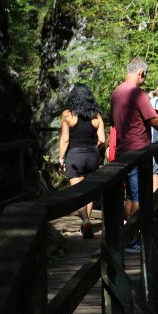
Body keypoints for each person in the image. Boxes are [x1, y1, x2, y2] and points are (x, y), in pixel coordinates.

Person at [109, 57, 158, 252]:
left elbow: (115, 120)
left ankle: (129, 235)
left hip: (122, 151)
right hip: (138, 151)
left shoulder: (116, 93)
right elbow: (153, 120)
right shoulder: (137, 93)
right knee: (139, 197)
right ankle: (132, 240)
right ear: (141, 73)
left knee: (129, 196)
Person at [58, 83, 106, 239]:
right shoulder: (97, 115)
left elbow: (65, 139)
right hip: (92, 154)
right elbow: (102, 140)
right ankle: (87, 223)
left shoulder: (67, 115)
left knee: (77, 192)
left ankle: (85, 220)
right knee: (89, 192)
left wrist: (60, 158)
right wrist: (93, 149)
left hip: (75, 155)